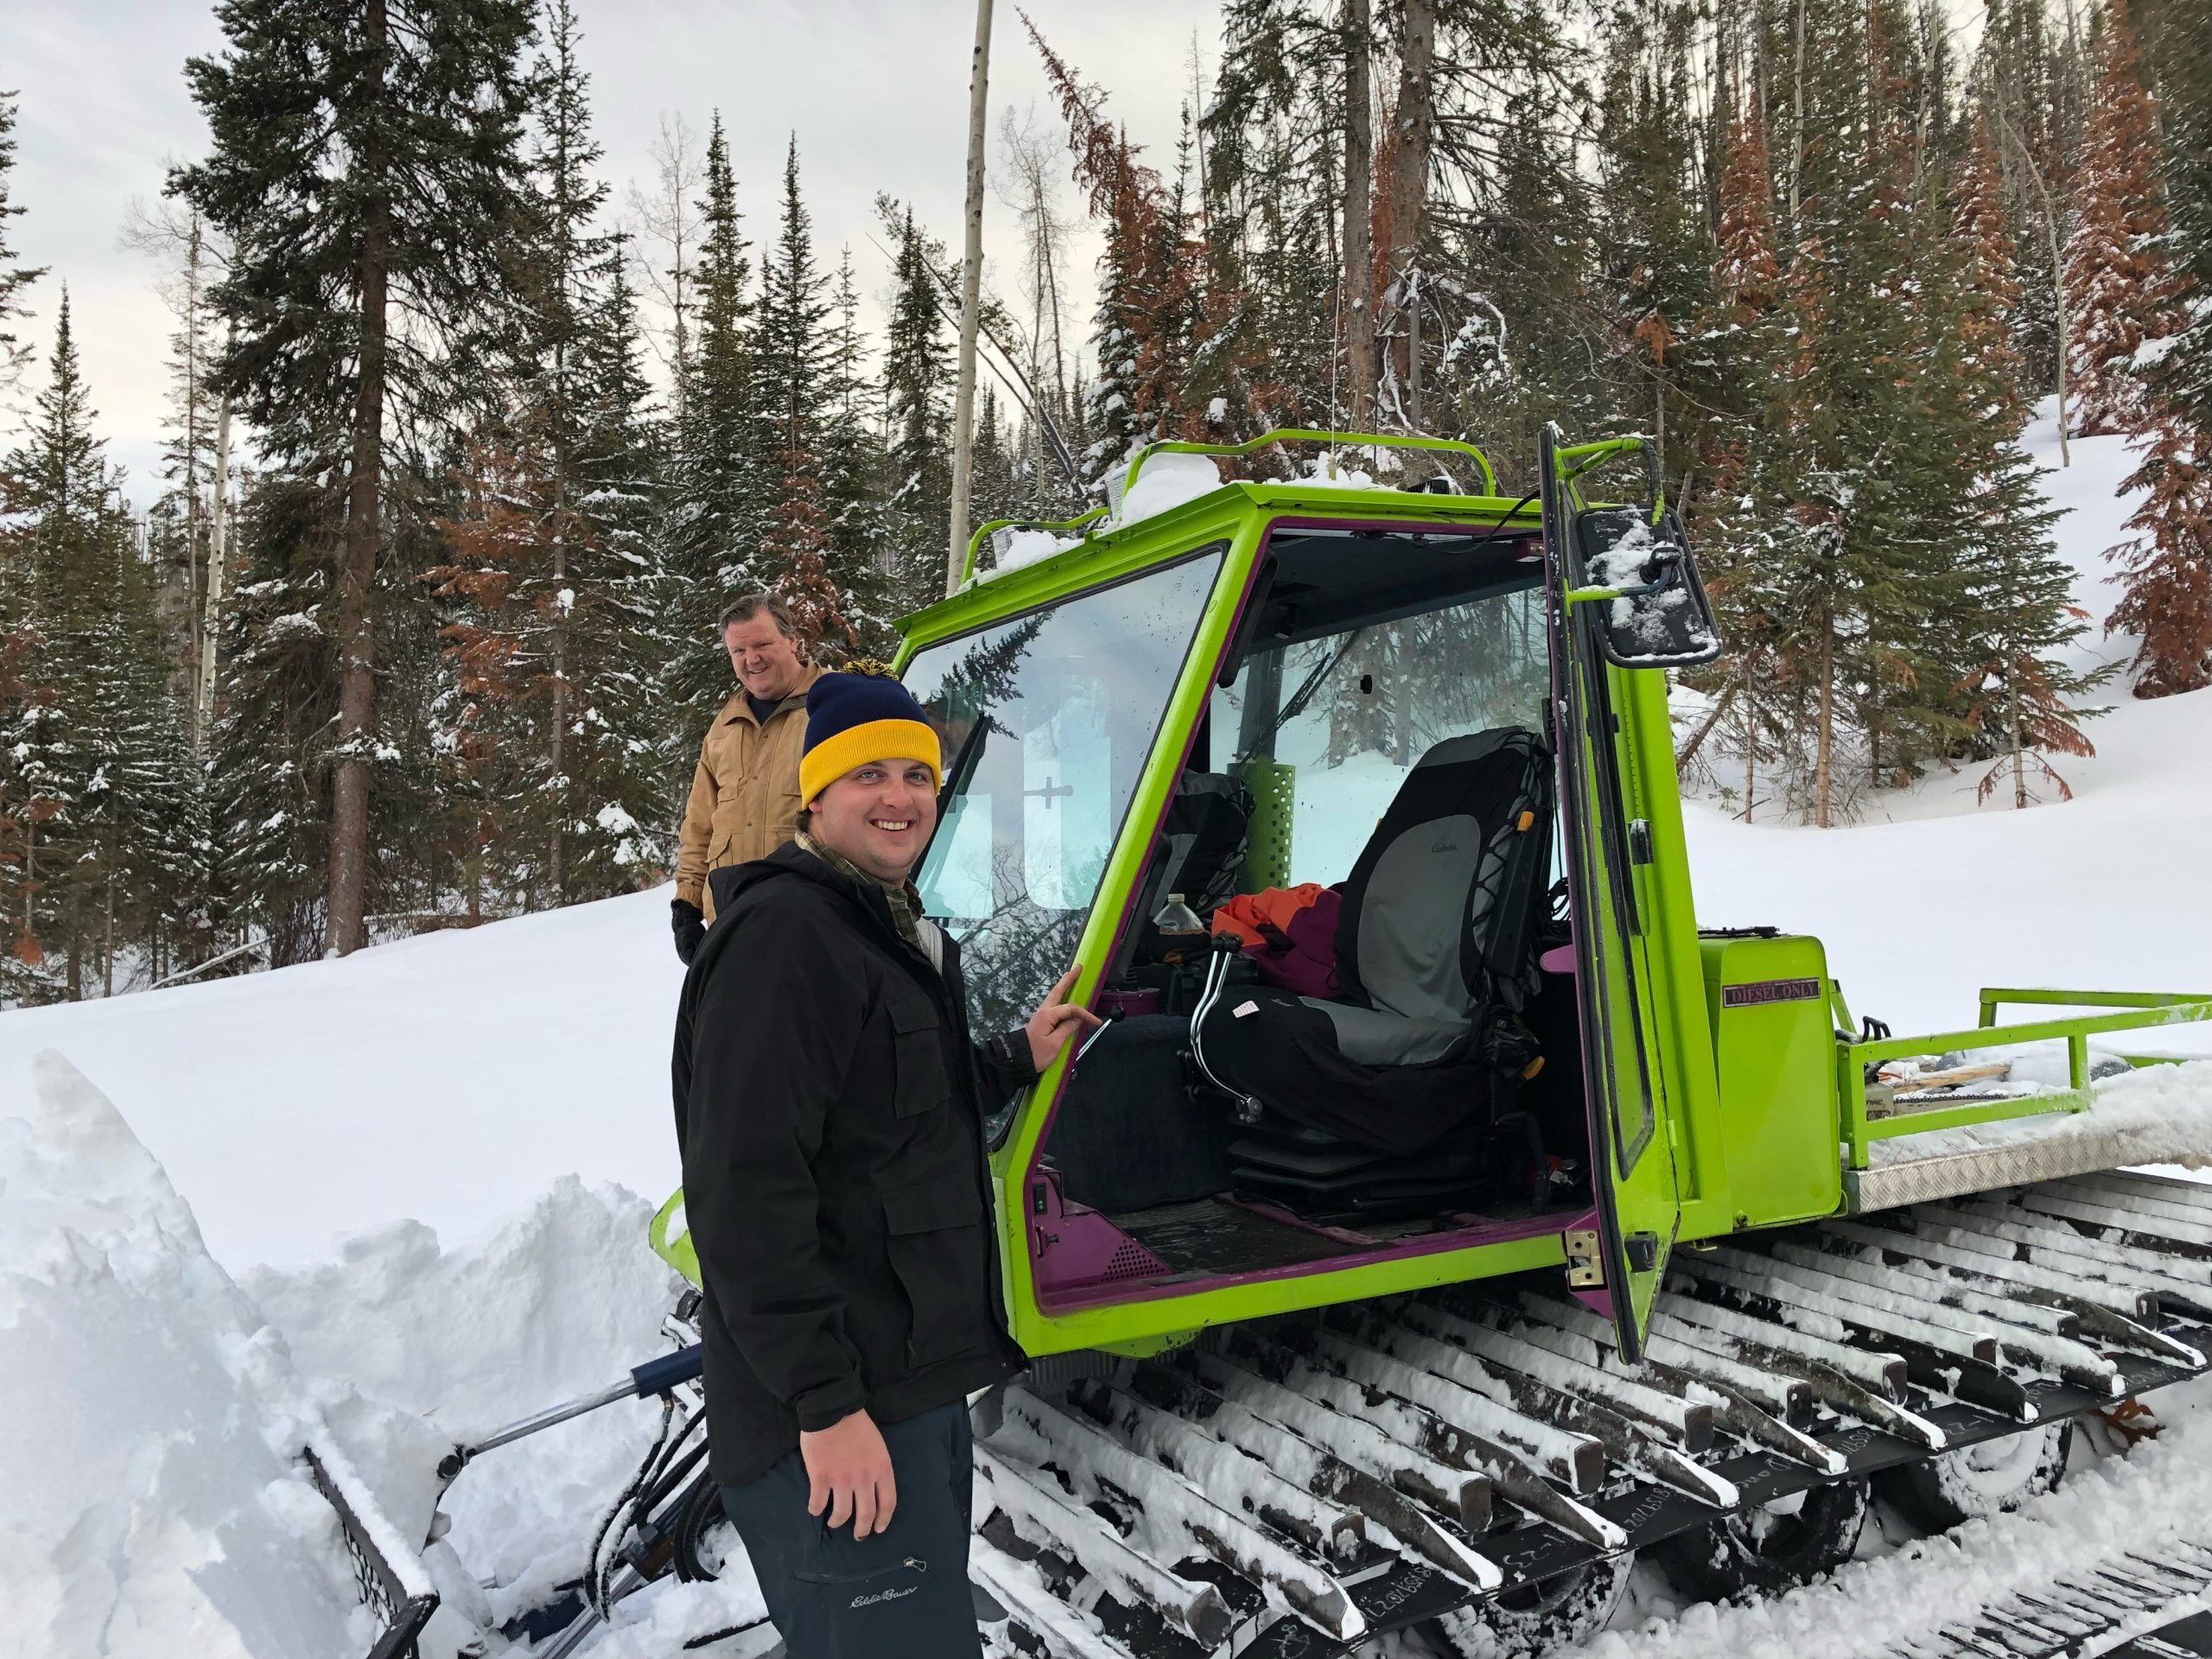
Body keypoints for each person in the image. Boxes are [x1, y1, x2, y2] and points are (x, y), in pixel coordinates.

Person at [671, 671, 1100, 1659]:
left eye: (917, 772)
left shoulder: (879, 925)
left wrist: (1007, 1059)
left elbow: (883, 1120)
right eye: (868, 774)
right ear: (814, 795)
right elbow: (744, 1196)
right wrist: (825, 1407)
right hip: (837, 1410)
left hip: (901, 1386)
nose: (900, 795)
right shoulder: (785, 939)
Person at [669, 594, 824, 963]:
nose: (751, 659)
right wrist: (687, 903)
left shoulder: (833, 706)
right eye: (738, 650)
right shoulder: (725, 724)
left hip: (813, 924)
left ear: (791, 640)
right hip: (731, 923)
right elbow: (700, 825)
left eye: (761, 644)